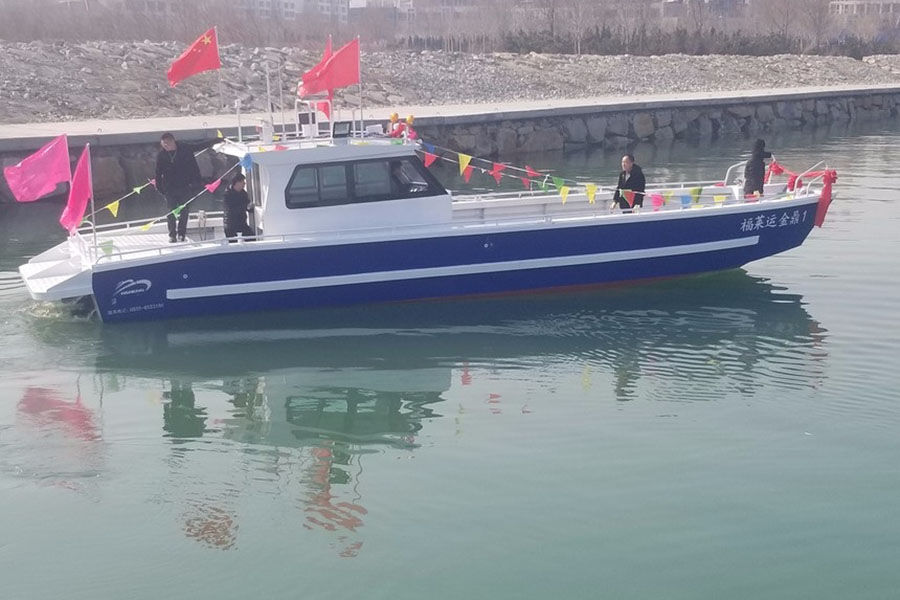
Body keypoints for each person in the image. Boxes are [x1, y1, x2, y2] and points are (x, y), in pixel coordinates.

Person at [155, 133, 216, 243]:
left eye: (167, 144)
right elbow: (158, 174)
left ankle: (181, 234)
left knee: (184, 210)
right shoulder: (162, 155)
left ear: (173, 141)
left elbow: (199, 146)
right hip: (169, 188)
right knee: (171, 212)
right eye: (163, 144)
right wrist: (160, 189)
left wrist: (215, 140)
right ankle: (172, 235)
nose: (165, 146)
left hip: (186, 186)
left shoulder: (184, 148)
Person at [223, 173, 255, 242]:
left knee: (252, 238)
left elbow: (247, 206)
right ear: (237, 182)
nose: (244, 184)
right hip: (231, 224)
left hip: (242, 223)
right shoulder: (228, 194)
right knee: (233, 243)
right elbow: (231, 210)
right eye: (243, 182)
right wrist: (245, 206)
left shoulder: (243, 193)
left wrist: (250, 208)